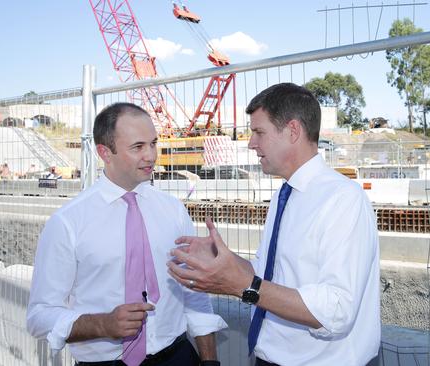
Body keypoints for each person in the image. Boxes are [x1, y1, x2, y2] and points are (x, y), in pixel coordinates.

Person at [167, 83, 380, 365]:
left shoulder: (343, 199)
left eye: (259, 132)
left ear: (292, 131)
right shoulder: (285, 193)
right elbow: (268, 276)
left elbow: (337, 310)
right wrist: (227, 263)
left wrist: (244, 286)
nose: (251, 143)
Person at [27, 102, 226, 365]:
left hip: (178, 356)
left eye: (153, 143)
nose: (152, 155)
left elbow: (193, 290)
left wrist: (209, 360)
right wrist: (103, 325)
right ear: (105, 153)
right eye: (138, 147)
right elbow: (39, 316)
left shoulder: (174, 211)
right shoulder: (67, 223)